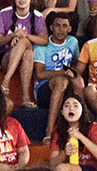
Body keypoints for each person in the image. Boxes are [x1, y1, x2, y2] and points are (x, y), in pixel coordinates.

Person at [0, 0, 48, 109]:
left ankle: (7, 81)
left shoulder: (37, 16)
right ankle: (25, 96)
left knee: (27, 50)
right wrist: (13, 35)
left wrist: (25, 36)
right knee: (25, 45)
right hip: (7, 58)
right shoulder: (4, 13)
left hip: (28, 61)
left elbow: (44, 40)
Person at [32, 12, 83, 144]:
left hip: (66, 85)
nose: (61, 29)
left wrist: (72, 73)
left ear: (69, 29)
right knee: (61, 81)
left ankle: (82, 127)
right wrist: (63, 72)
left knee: (78, 80)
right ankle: (49, 132)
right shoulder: (42, 45)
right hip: (44, 89)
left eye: (64, 26)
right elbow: (40, 74)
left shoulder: (73, 42)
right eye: (57, 25)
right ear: (51, 27)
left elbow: (75, 63)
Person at [45, 94, 97, 171]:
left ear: (82, 110)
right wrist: (64, 153)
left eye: (75, 105)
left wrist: (81, 137)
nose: (71, 108)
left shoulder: (93, 127)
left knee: (62, 169)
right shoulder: (58, 131)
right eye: (67, 106)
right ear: (62, 112)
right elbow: (52, 164)